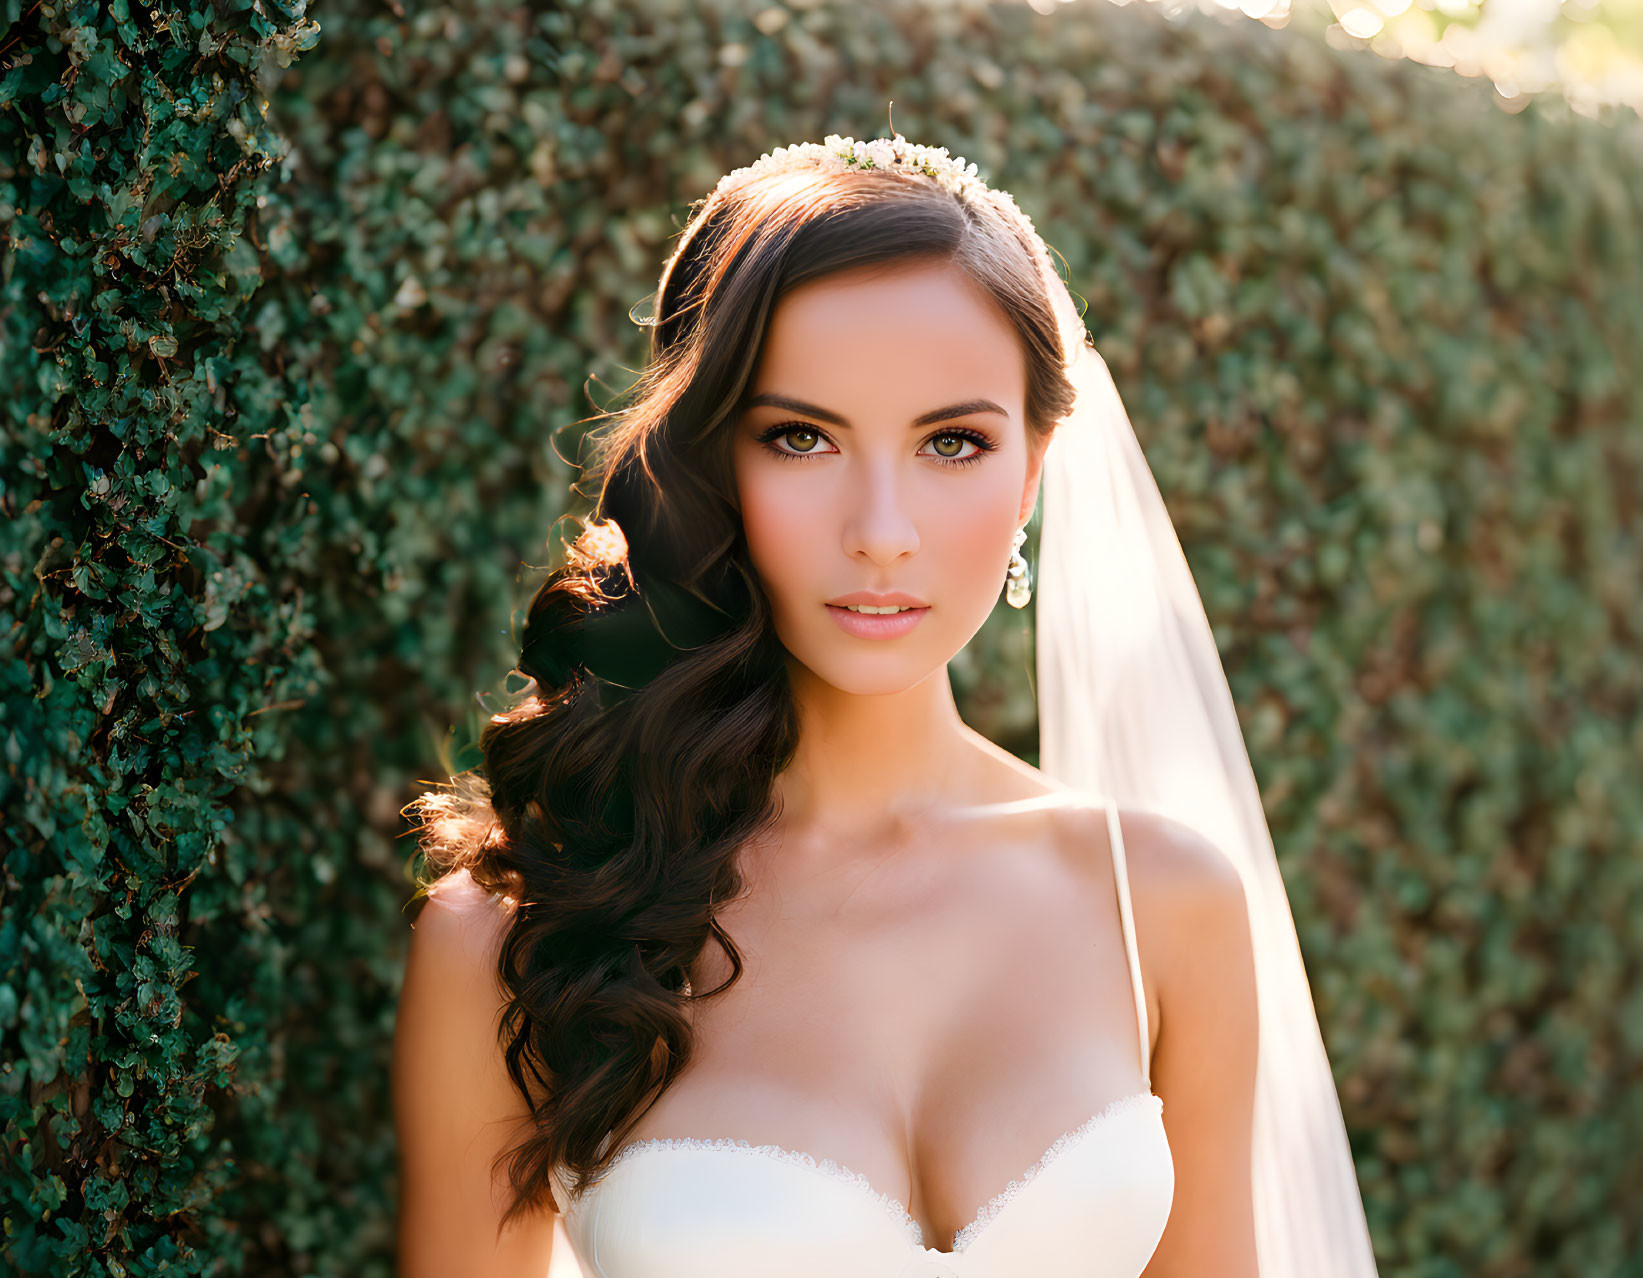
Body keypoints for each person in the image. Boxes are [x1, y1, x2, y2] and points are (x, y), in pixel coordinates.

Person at [393, 131, 1380, 1278]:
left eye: (951, 443)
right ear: (708, 462)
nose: (881, 529)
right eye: (800, 437)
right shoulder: (522, 924)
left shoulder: (1157, 901)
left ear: (1033, 470)